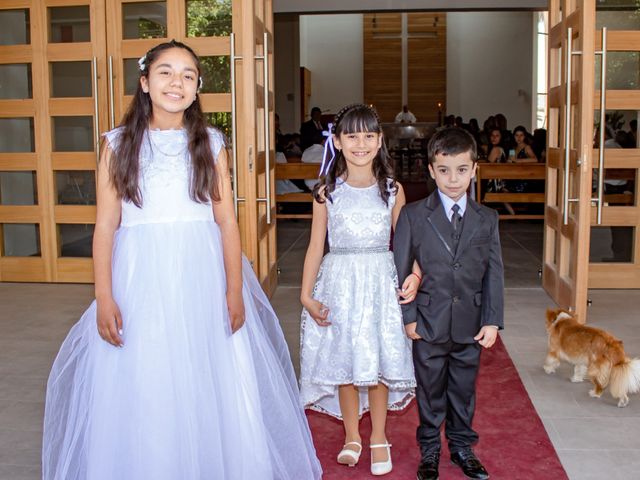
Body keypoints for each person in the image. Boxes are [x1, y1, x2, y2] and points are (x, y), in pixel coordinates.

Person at [42, 40, 322, 480]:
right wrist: (103, 295)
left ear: (197, 89)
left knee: (208, 376)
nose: (177, 82)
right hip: (140, 279)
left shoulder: (210, 143)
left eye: (188, 75)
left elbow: (226, 221)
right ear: (145, 82)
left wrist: (233, 290)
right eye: (166, 72)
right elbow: (106, 225)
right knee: (146, 375)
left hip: (201, 274)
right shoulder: (116, 145)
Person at [299, 104, 418, 476]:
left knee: (378, 360)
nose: (360, 143)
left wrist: (415, 274)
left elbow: (407, 242)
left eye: (368, 135)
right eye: (351, 135)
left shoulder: (391, 189)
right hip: (339, 283)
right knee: (347, 361)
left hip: (380, 282)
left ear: (380, 140)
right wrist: (306, 294)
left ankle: (379, 436)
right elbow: (316, 245)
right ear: (337, 141)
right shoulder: (326, 192)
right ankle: (352, 435)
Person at [394, 127, 504, 480]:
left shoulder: (487, 219)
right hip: (428, 321)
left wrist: (491, 320)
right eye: (444, 170)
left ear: (474, 169)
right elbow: (400, 271)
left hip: (470, 323)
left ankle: (461, 448)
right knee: (430, 392)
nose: (453, 179)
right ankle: (429, 451)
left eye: (461, 170)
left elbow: (494, 273)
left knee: (463, 391)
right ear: (430, 170)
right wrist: (409, 317)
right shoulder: (412, 216)